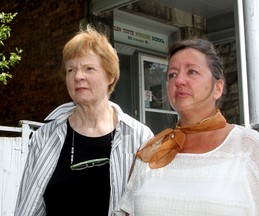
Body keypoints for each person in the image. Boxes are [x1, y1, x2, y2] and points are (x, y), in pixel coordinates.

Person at [115, 38, 259, 215]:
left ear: (218, 88)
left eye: (192, 71)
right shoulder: (152, 151)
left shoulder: (247, 146)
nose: (179, 80)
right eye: (172, 74)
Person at [14, 25, 154, 216]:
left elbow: (149, 207)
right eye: (71, 70)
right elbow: (27, 206)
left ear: (110, 76)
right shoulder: (44, 137)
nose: (78, 76)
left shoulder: (139, 138)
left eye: (89, 68)